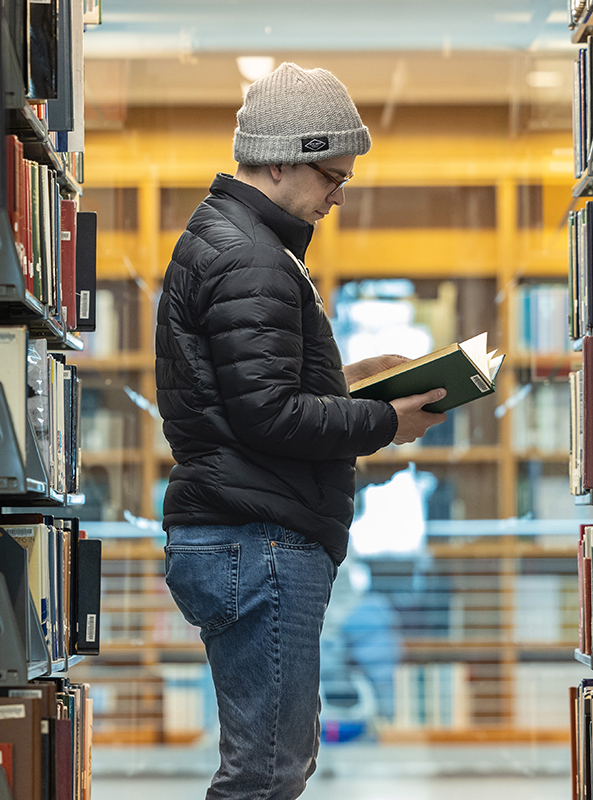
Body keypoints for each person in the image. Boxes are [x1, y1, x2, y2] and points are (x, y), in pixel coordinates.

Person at [155, 62, 446, 800]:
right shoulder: (254, 256)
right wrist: (385, 420)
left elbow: (245, 397)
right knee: (265, 775)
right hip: (260, 542)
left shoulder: (238, 242)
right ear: (281, 157)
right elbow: (269, 416)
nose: (337, 197)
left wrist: (352, 380)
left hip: (244, 536)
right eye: (331, 178)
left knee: (272, 767)